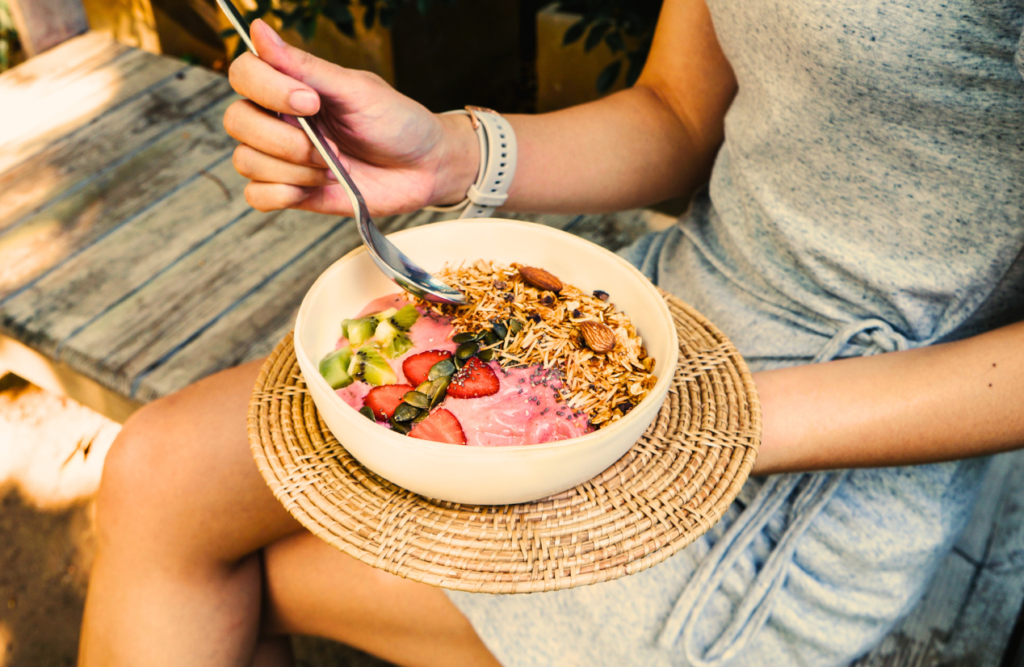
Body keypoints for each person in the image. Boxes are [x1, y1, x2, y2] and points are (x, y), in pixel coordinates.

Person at [78, 0, 1024, 665]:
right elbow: (681, 111)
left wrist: (700, 421)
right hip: (660, 323)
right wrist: (447, 154)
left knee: (214, 580)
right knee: (156, 470)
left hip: (817, 467)